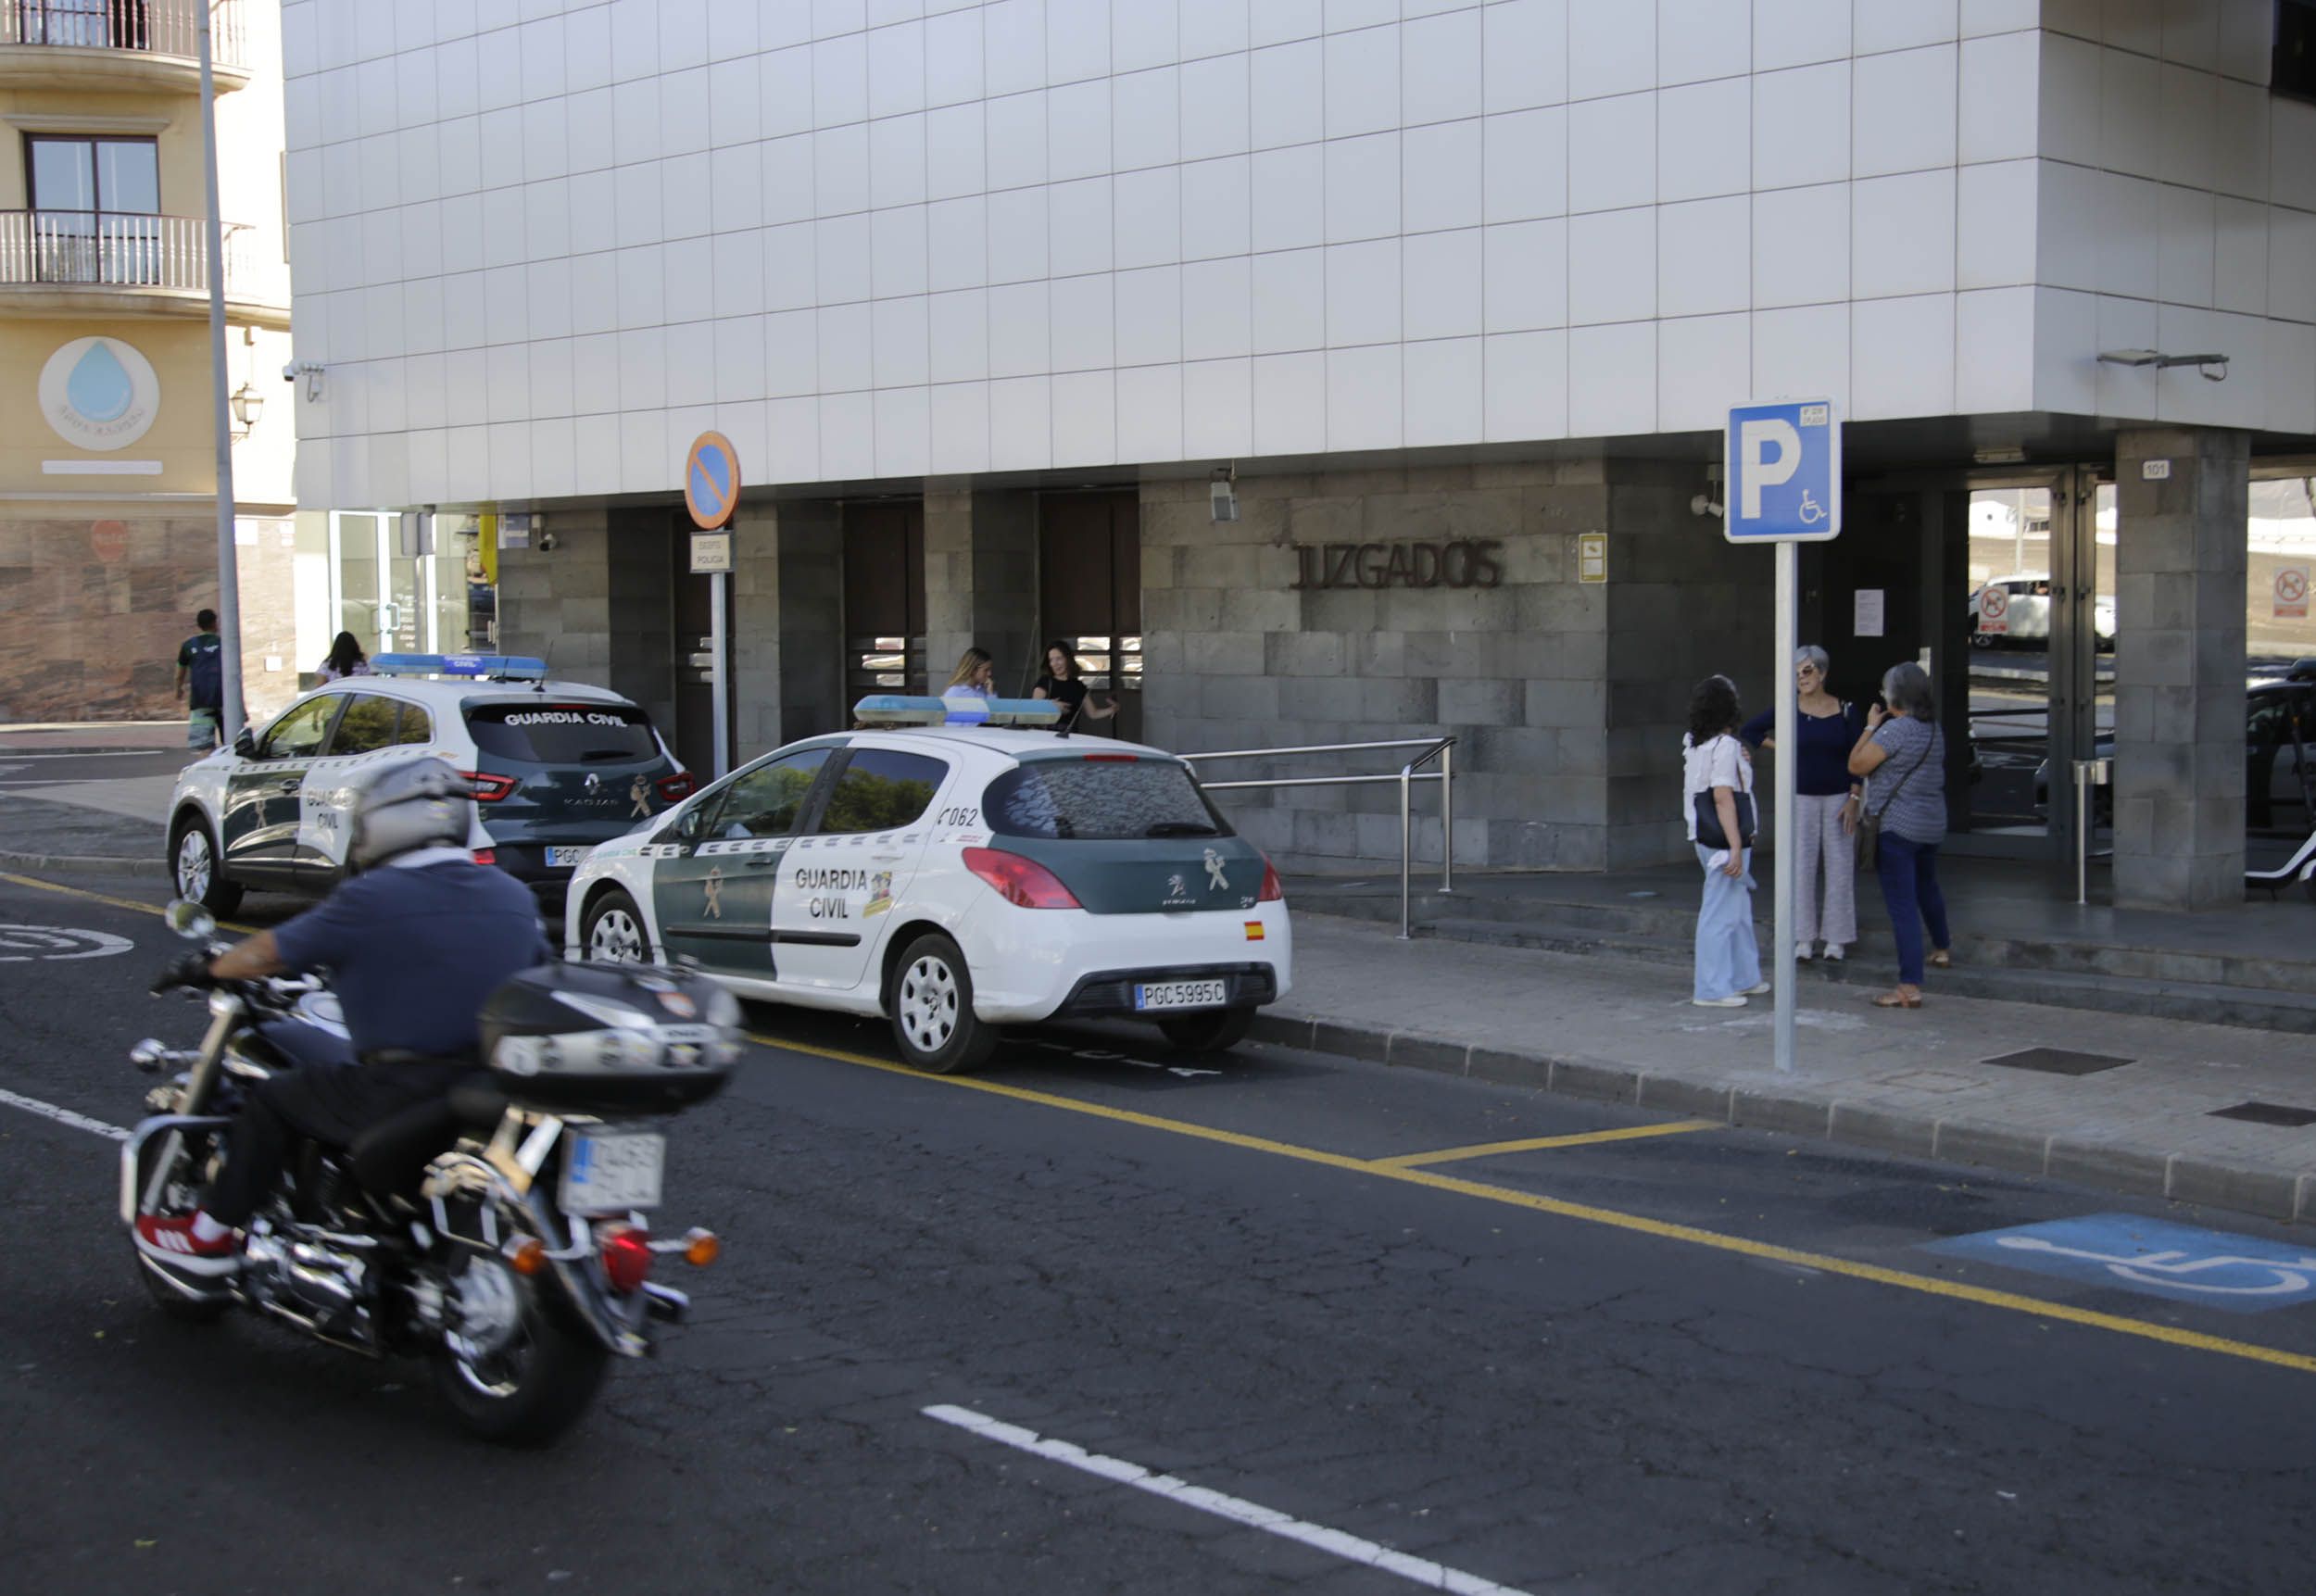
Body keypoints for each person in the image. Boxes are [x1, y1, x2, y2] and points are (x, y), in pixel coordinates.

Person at [133, 757, 550, 1276]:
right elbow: (538, 977)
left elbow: (268, 953)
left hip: (404, 1085)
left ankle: (209, 1233)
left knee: (273, 1101)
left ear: (380, 824)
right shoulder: (512, 894)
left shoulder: (371, 896)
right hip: (491, 1080)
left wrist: (211, 965)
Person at [1741, 646, 1864, 962]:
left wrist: (1854, 797)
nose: (1801, 678)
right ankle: (1803, 937)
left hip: (1839, 796)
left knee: (1839, 867)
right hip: (1800, 796)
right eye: (1796, 673)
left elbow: (1857, 758)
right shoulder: (1787, 708)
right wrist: (1780, 746)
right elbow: (1751, 730)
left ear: (1822, 672)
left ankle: (1836, 939)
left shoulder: (1846, 709)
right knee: (1800, 866)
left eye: (1807, 670)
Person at [1848, 660, 1952, 1010]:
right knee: (1928, 886)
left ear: (1895, 695)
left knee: (1902, 906)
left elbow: (1857, 764)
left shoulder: (1895, 731)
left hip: (1897, 827)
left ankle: (1908, 986)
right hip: (1930, 824)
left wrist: (1869, 727)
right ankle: (1941, 949)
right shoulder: (1934, 730)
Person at [1683, 674, 1767, 1009]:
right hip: (1724, 840)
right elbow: (1723, 797)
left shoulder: (1694, 742)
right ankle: (1712, 987)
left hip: (1704, 835)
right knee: (1721, 911)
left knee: (1737, 908)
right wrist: (1735, 845)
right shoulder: (1726, 747)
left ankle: (1745, 976)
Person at [1031, 639, 1117, 732]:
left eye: (1059, 659)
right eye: (1051, 660)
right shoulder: (1045, 681)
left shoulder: (1078, 686)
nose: (1054, 664)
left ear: (1068, 659)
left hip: (1071, 736)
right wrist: (1050, 706)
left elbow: (1093, 713)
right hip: (1048, 737)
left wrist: (1112, 709)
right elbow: (1032, 709)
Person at [175, 609, 223, 753]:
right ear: (215, 623)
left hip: (200, 701)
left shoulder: (188, 645)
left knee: (203, 747)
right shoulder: (225, 643)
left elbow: (179, 673)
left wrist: (178, 689)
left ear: (199, 625)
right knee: (232, 745)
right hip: (224, 701)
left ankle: (208, 771)